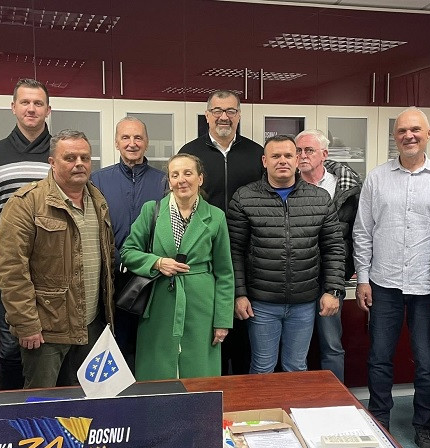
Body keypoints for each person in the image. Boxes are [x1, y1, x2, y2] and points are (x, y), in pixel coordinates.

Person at [352, 107, 430, 448]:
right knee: (379, 358)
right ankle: (379, 420)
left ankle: (424, 426)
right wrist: (362, 278)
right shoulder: (377, 178)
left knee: (427, 361)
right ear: (394, 136)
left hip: (427, 287)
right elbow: (363, 231)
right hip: (384, 284)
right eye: (402, 131)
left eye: (415, 130)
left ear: (428, 134)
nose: (408, 136)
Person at [0, 130, 115, 389]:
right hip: (46, 330)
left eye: (85, 157)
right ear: (52, 162)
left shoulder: (98, 200)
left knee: (86, 400)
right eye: (70, 158)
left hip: (91, 324)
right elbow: (10, 269)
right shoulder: (26, 203)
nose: (79, 163)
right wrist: (26, 324)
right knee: (43, 403)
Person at [228, 135, 344, 374]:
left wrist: (333, 290)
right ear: (264, 161)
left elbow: (333, 247)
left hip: (304, 302)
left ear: (297, 159)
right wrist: (239, 294)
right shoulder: (245, 197)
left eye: (288, 155)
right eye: (275, 156)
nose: (282, 161)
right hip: (261, 303)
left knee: (296, 368)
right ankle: (263, 403)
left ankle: (292, 403)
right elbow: (234, 251)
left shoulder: (319, 198)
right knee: (262, 367)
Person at [121, 153, 234, 380]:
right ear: (169, 181)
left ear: (200, 179)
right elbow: (128, 252)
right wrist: (156, 262)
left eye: (187, 173)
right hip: (159, 304)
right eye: (175, 175)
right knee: (157, 370)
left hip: (201, 305)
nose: (181, 180)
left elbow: (224, 273)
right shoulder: (151, 211)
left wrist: (222, 321)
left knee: (199, 371)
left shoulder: (216, 216)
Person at [0, 78, 52, 390]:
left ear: (48, 109)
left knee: (53, 342)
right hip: (10, 268)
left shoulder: (61, 152)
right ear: (13, 107)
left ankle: (49, 409)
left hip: (54, 267)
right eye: (25, 102)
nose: (31, 108)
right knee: (11, 344)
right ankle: (12, 411)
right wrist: (8, 251)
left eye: (38, 103)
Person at [179, 89, 264, 376]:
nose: (223, 117)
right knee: (208, 337)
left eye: (230, 111)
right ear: (207, 115)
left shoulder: (256, 154)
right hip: (203, 258)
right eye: (217, 111)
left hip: (248, 257)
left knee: (243, 340)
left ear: (239, 115)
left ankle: (239, 397)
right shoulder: (190, 153)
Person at [91, 116, 167, 371]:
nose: (132, 143)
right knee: (117, 346)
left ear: (146, 142)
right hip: (112, 279)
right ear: (116, 142)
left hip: (153, 277)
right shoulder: (97, 181)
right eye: (125, 137)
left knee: (151, 344)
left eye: (138, 138)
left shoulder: (164, 181)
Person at [295, 129, 362, 383]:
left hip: (331, 279)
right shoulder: (286, 184)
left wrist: (351, 273)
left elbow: (358, 232)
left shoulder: (345, 187)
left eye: (309, 150)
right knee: (294, 348)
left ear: (324, 154)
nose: (302, 156)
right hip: (295, 278)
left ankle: (335, 400)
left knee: (331, 343)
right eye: (298, 150)